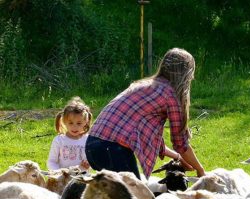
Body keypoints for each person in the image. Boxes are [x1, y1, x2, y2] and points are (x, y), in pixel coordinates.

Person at [85, 48, 205, 180]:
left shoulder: (144, 85)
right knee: (136, 197)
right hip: (113, 150)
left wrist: (178, 158)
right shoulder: (171, 95)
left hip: (92, 145)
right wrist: (200, 170)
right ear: (186, 74)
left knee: (112, 198)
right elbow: (180, 144)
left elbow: (152, 139)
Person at [47, 97, 92, 171]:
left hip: (82, 178)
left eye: (79, 123)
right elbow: (51, 162)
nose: (74, 127)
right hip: (63, 179)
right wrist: (58, 173)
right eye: (71, 123)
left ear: (85, 122)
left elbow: (91, 161)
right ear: (64, 121)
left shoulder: (88, 141)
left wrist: (88, 165)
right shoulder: (59, 140)